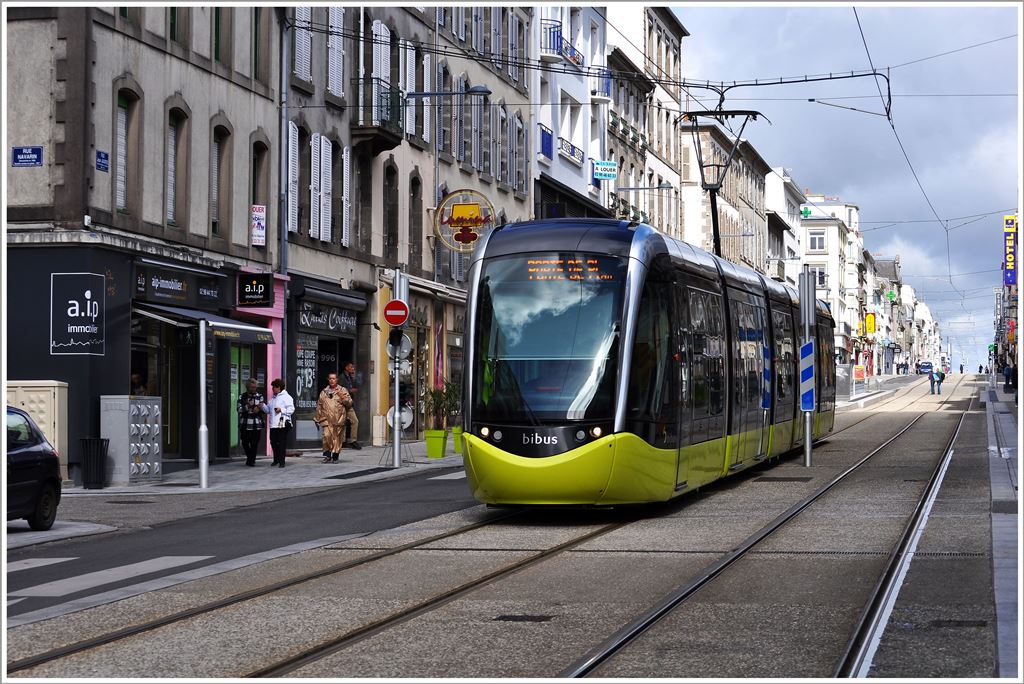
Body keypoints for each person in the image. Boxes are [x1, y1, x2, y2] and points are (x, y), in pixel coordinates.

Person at [314, 372, 351, 463]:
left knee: (337, 438)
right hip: (326, 419)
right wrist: (317, 418)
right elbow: (319, 405)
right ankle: (327, 455)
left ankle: (335, 456)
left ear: (337, 380)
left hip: (339, 418)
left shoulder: (342, 390)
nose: (332, 380)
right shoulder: (324, 392)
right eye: (330, 378)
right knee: (326, 436)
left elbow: (349, 403)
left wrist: (342, 397)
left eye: (333, 378)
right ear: (328, 380)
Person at [264, 378, 294, 468]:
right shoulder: (272, 399)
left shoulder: (287, 397)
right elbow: (268, 410)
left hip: (282, 423)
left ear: (279, 387)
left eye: (274, 387)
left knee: (281, 443)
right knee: (273, 442)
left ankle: (281, 461)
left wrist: (281, 410)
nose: (272, 389)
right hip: (273, 424)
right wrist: (262, 406)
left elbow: (291, 409)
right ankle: (276, 459)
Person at [236, 379, 266, 467]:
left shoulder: (260, 396)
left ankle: (251, 460)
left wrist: (259, 409)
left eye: (255, 387)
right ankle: (250, 457)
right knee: (245, 442)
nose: (254, 389)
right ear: (248, 387)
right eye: (252, 387)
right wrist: (247, 406)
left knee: (254, 443)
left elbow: (262, 408)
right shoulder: (242, 396)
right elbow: (239, 409)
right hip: (245, 423)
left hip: (256, 423)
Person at [340, 361, 363, 450]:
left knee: (355, 421)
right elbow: (340, 390)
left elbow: (357, 386)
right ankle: (342, 441)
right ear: (346, 368)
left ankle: (353, 440)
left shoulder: (350, 377)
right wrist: (349, 390)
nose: (352, 368)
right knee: (343, 422)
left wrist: (354, 377)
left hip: (349, 404)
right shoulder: (342, 377)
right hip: (342, 403)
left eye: (353, 367)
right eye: (351, 367)